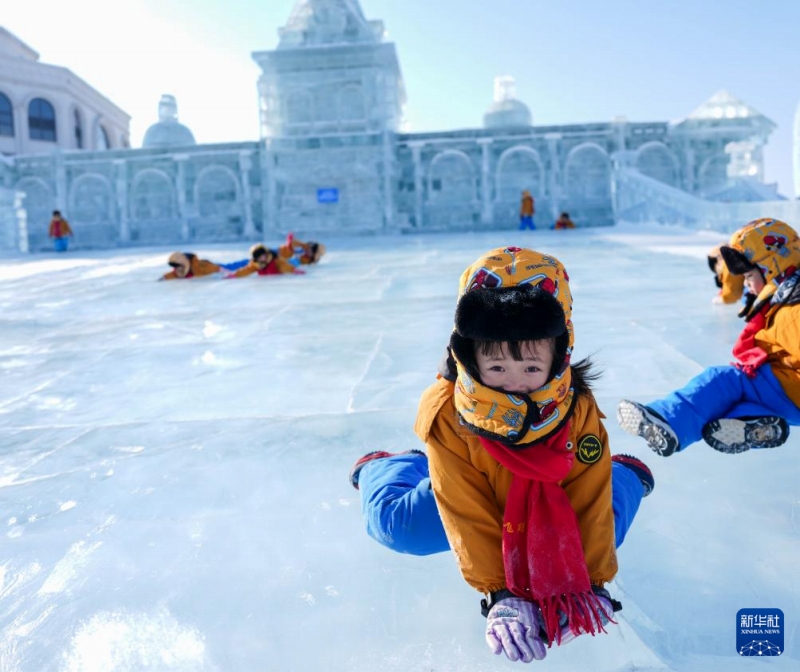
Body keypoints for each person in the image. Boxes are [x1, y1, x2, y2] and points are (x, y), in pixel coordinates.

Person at [396, 246, 637, 662]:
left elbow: (589, 490)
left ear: (560, 352)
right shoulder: (448, 412)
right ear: (469, 354)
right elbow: (464, 508)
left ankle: (631, 475)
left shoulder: (575, 405)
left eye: (530, 368)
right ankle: (386, 467)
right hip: (473, 489)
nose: (513, 383)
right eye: (496, 369)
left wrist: (593, 581)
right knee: (404, 529)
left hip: (550, 498)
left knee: (607, 520)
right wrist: (500, 591)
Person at [618, 218, 800, 456]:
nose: (746, 284)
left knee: (724, 380)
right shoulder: (785, 302)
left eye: (749, 276)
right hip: (787, 394)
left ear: (772, 267)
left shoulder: (791, 310)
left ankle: (668, 421)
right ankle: (753, 424)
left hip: (789, 388)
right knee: (735, 401)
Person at [227, 243, 306, 278]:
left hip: (286, 265)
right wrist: (235, 275)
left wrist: (294, 270)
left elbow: (284, 266)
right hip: (271, 277)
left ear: (266, 254)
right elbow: (246, 270)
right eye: (259, 257)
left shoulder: (275, 260)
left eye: (263, 255)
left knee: (293, 262)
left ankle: (298, 258)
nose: (262, 258)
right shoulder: (256, 264)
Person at [160, 252, 225, 280]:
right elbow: (170, 275)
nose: (177, 269)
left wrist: (230, 274)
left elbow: (218, 268)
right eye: (175, 266)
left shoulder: (200, 267)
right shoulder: (177, 272)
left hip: (213, 266)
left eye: (178, 266)